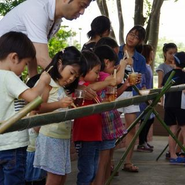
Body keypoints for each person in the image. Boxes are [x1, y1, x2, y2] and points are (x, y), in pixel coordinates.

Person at [0, 31, 51, 185]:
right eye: (25, 63)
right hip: (13, 145)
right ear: (14, 57)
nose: (23, 69)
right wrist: (43, 80)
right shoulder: (8, 76)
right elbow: (33, 98)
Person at [33, 46, 87, 185]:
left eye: (75, 76)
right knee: (54, 178)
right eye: (71, 72)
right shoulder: (47, 81)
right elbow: (38, 109)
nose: (71, 78)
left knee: (61, 176)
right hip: (51, 136)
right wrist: (59, 104)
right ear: (60, 63)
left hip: (61, 136)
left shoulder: (61, 86)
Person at [0, 0, 94, 77]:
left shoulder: (56, 22)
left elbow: (34, 54)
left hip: (10, 72)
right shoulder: (38, 10)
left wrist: (33, 82)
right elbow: (42, 58)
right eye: (82, 5)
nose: (82, 12)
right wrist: (69, 83)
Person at [73, 50, 117, 185]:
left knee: (91, 171)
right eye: (96, 72)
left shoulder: (91, 90)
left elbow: (97, 101)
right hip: (86, 136)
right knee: (87, 172)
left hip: (95, 135)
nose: (98, 76)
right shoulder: (81, 87)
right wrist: (108, 82)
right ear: (84, 71)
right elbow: (91, 87)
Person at [93, 45, 131, 185]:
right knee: (103, 162)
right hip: (106, 124)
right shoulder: (103, 76)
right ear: (106, 62)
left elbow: (112, 96)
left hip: (108, 124)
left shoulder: (101, 77)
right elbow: (117, 80)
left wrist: (126, 85)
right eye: (113, 65)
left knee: (106, 160)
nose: (115, 68)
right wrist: (123, 64)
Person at [116, 25, 146, 172]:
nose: (131, 38)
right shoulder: (116, 51)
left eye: (136, 37)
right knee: (111, 129)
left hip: (131, 93)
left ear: (140, 41)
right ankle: (107, 162)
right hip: (116, 92)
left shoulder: (140, 58)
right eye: (131, 34)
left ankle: (127, 162)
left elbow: (141, 78)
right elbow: (108, 71)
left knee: (132, 128)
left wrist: (139, 78)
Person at [162, 51, 185, 164]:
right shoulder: (184, 75)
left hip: (168, 104)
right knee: (184, 129)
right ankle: (183, 153)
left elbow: (162, 88)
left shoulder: (167, 75)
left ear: (174, 61)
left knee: (172, 129)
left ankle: (172, 155)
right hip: (180, 105)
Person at [137, 44, 155, 152]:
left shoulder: (148, 66)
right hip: (145, 98)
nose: (153, 54)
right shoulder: (144, 67)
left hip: (149, 97)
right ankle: (141, 143)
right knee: (146, 120)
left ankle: (144, 142)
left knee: (150, 119)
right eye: (151, 51)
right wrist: (147, 98)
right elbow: (143, 83)